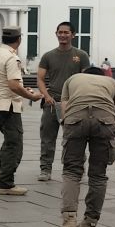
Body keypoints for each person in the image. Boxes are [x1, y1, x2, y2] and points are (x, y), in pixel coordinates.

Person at [55, 65, 115, 227]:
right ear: (103, 76)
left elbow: (63, 110)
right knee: (98, 175)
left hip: (75, 119)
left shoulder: (72, 79)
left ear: (84, 74)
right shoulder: (113, 83)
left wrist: (70, 135)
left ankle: (69, 221)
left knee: (72, 171)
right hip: (105, 121)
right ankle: (89, 225)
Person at [0, 27, 43, 195]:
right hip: (8, 106)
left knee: (10, 139)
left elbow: (9, 83)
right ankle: (5, 184)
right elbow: (13, 85)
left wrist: (22, 89)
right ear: (19, 39)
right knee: (15, 145)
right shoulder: (12, 57)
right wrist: (31, 96)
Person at [36, 22, 90, 182]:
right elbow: (40, 78)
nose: (63, 35)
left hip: (73, 104)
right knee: (47, 138)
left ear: (73, 35)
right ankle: (45, 169)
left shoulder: (81, 55)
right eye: (60, 32)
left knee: (75, 139)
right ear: (56, 33)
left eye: (66, 32)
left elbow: (85, 78)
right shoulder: (48, 56)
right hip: (52, 103)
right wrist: (46, 95)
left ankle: (75, 169)